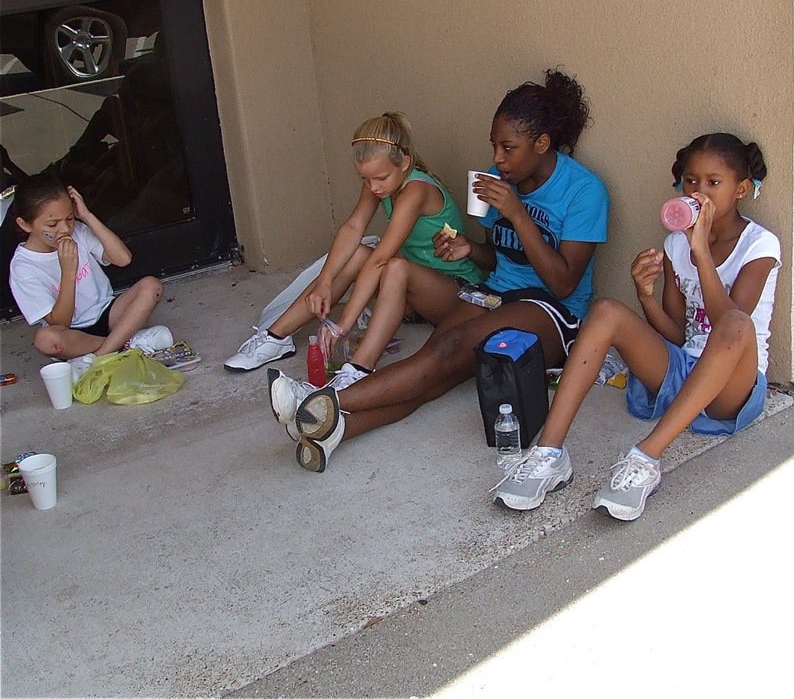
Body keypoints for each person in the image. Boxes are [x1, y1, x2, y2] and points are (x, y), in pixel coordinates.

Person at [268, 68, 609, 472]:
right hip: (497, 292)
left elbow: (563, 281)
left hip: (552, 311)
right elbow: (501, 256)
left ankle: (319, 402)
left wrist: (517, 214)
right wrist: (469, 249)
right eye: (494, 146)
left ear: (542, 143)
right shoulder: (502, 177)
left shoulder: (585, 191)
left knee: (449, 351)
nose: (497, 159)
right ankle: (338, 428)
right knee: (436, 367)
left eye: (508, 147)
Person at [493, 132, 780, 521]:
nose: (699, 192)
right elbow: (678, 335)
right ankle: (549, 453)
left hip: (733, 384)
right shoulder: (677, 244)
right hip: (684, 369)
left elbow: (729, 323)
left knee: (736, 324)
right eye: (692, 181)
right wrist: (645, 294)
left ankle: (645, 459)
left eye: (714, 183)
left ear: (742, 188)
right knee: (607, 310)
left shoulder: (759, 245)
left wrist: (701, 253)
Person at [224, 112, 482, 381]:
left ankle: (359, 368)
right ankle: (276, 337)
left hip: (456, 294)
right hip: (414, 294)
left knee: (394, 265)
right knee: (359, 253)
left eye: (380, 178)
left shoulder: (416, 190)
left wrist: (343, 324)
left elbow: (381, 260)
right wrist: (325, 280)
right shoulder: (380, 183)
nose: (374, 187)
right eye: (365, 179)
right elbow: (353, 228)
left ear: (405, 162)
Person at [8, 172, 172, 378]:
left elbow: (123, 259)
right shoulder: (23, 267)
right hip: (75, 334)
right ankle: (128, 342)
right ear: (25, 225)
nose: (65, 229)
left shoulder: (79, 231)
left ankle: (98, 358)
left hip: (107, 313)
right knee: (45, 339)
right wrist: (69, 272)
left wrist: (86, 216)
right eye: (52, 224)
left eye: (69, 218)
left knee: (151, 286)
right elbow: (60, 324)